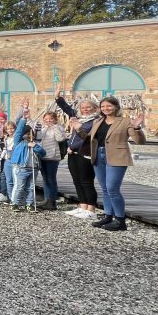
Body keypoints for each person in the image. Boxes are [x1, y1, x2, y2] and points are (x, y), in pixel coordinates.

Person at [75, 96, 146, 231]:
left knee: (112, 189)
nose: (105, 108)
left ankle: (120, 220)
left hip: (117, 156)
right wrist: (79, 129)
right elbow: (89, 138)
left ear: (116, 107)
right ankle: (108, 216)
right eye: (103, 106)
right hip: (98, 156)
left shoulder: (125, 122)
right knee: (105, 189)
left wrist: (136, 128)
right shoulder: (98, 121)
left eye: (109, 106)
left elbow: (140, 141)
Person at [56, 87, 100, 221]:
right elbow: (67, 109)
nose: (85, 109)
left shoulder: (96, 121)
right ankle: (82, 206)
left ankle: (91, 209)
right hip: (72, 153)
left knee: (87, 181)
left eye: (88, 107)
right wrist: (58, 97)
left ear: (94, 108)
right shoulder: (78, 117)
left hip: (84, 154)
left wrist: (78, 131)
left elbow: (89, 138)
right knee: (77, 180)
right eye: (83, 107)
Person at [9, 117, 44, 212]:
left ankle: (29, 204)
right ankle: (15, 203)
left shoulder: (36, 143)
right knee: (19, 186)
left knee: (31, 188)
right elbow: (18, 132)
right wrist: (23, 119)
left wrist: (35, 146)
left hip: (33, 168)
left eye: (30, 133)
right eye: (26, 133)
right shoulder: (19, 142)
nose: (28, 135)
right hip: (21, 168)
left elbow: (43, 153)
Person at [34, 110, 67, 210]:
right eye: (46, 119)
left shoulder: (59, 128)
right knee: (45, 179)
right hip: (42, 156)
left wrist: (54, 126)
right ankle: (46, 199)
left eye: (50, 119)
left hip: (52, 157)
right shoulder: (43, 128)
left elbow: (60, 138)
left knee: (51, 179)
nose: (48, 121)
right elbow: (37, 139)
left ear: (55, 119)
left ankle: (52, 201)